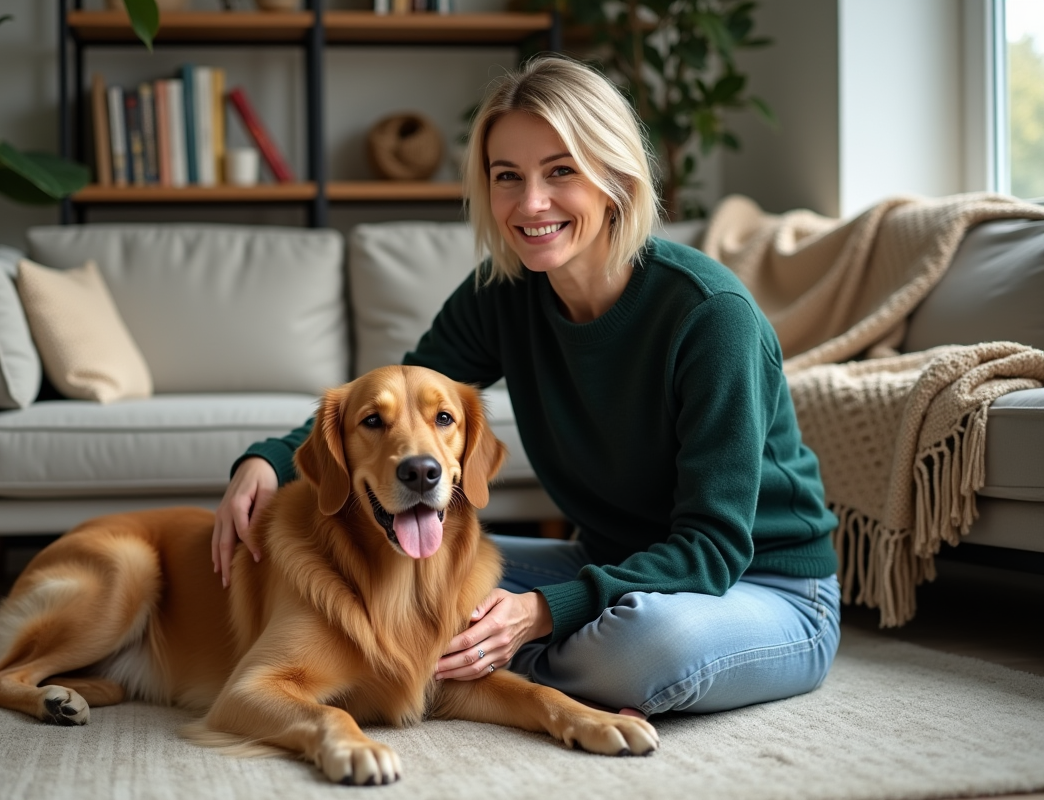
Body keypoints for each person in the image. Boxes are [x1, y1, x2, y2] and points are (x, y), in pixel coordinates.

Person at [212, 54, 841, 719]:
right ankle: (440, 662)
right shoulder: (503, 294)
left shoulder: (709, 315)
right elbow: (396, 403)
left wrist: (541, 611)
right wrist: (269, 459)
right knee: (376, 566)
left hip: (759, 586)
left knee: (646, 646)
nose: (531, 203)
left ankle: (444, 667)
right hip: (612, 563)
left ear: (613, 177)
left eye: (561, 171)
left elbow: (713, 549)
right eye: (507, 176)